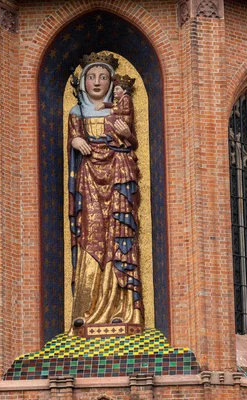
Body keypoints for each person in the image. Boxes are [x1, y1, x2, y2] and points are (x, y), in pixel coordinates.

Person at [68, 53, 143, 334]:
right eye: (91, 76)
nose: (96, 82)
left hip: (119, 172)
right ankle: (85, 311)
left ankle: (122, 309)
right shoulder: (76, 113)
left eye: (102, 77)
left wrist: (128, 135)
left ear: (111, 82)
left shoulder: (120, 111)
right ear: (83, 82)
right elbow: (73, 140)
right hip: (89, 177)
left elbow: (132, 142)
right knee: (92, 235)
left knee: (118, 233)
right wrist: (75, 139)